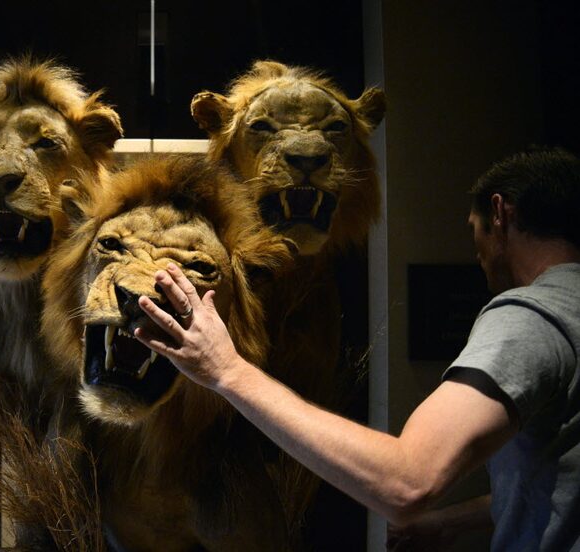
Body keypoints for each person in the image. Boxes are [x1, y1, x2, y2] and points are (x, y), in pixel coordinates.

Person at [133, 146, 580, 551]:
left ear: (499, 214)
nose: (477, 252)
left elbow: (406, 482)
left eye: (474, 230)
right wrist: (448, 522)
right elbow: (555, 474)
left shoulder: (531, 317)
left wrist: (227, 370)